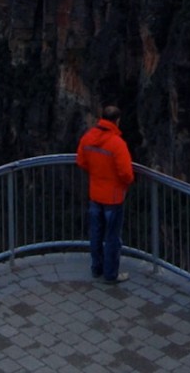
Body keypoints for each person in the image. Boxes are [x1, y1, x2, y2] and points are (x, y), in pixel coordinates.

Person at [76, 104, 134, 283]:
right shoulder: (117, 144)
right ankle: (110, 275)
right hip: (113, 197)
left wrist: (96, 173)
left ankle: (96, 268)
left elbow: (81, 161)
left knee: (95, 234)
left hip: (95, 195)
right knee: (112, 238)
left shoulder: (88, 138)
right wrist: (123, 184)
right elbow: (126, 174)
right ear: (117, 121)